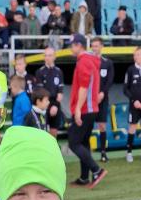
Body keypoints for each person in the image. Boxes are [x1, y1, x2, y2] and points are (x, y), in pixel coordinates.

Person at [69, 34, 106, 188]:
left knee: (73, 143)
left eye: (72, 45)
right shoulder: (90, 60)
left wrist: (77, 109)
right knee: (83, 143)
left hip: (85, 109)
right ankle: (84, 177)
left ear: (79, 45)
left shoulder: (84, 61)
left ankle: (96, 170)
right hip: (90, 108)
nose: (70, 48)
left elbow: (84, 88)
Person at [91, 37, 114, 163]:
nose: (94, 48)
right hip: (90, 99)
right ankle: (87, 153)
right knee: (88, 126)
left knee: (102, 126)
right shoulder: (88, 62)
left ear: (101, 47)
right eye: (93, 46)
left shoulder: (107, 63)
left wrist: (102, 93)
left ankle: (103, 153)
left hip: (103, 99)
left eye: (96, 46)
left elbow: (109, 80)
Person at [34, 46, 65, 134]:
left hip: (55, 104)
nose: (47, 58)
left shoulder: (59, 72)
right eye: (45, 55)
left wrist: (55, 106)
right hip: (44, 104)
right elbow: (40, 92)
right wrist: (47, 106)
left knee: (54, 131)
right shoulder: (39, 72)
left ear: (54, 57)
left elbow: (60, 93)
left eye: (50, 55)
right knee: (43, 131)